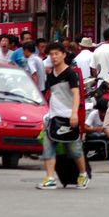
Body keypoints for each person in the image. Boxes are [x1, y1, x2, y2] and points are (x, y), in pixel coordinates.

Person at [35, 42, 89, 190]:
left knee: (74, 150)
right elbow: (51, 95)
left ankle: (83, 175)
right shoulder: (51, 75)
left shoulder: (71, 73)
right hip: (53, 117)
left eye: (57, 53)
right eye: (51, 54)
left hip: (68, 117)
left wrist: (74, 114)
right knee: (48, 147)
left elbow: (76, 93)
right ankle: (50, 178)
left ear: (64, 55)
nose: (54, 57)